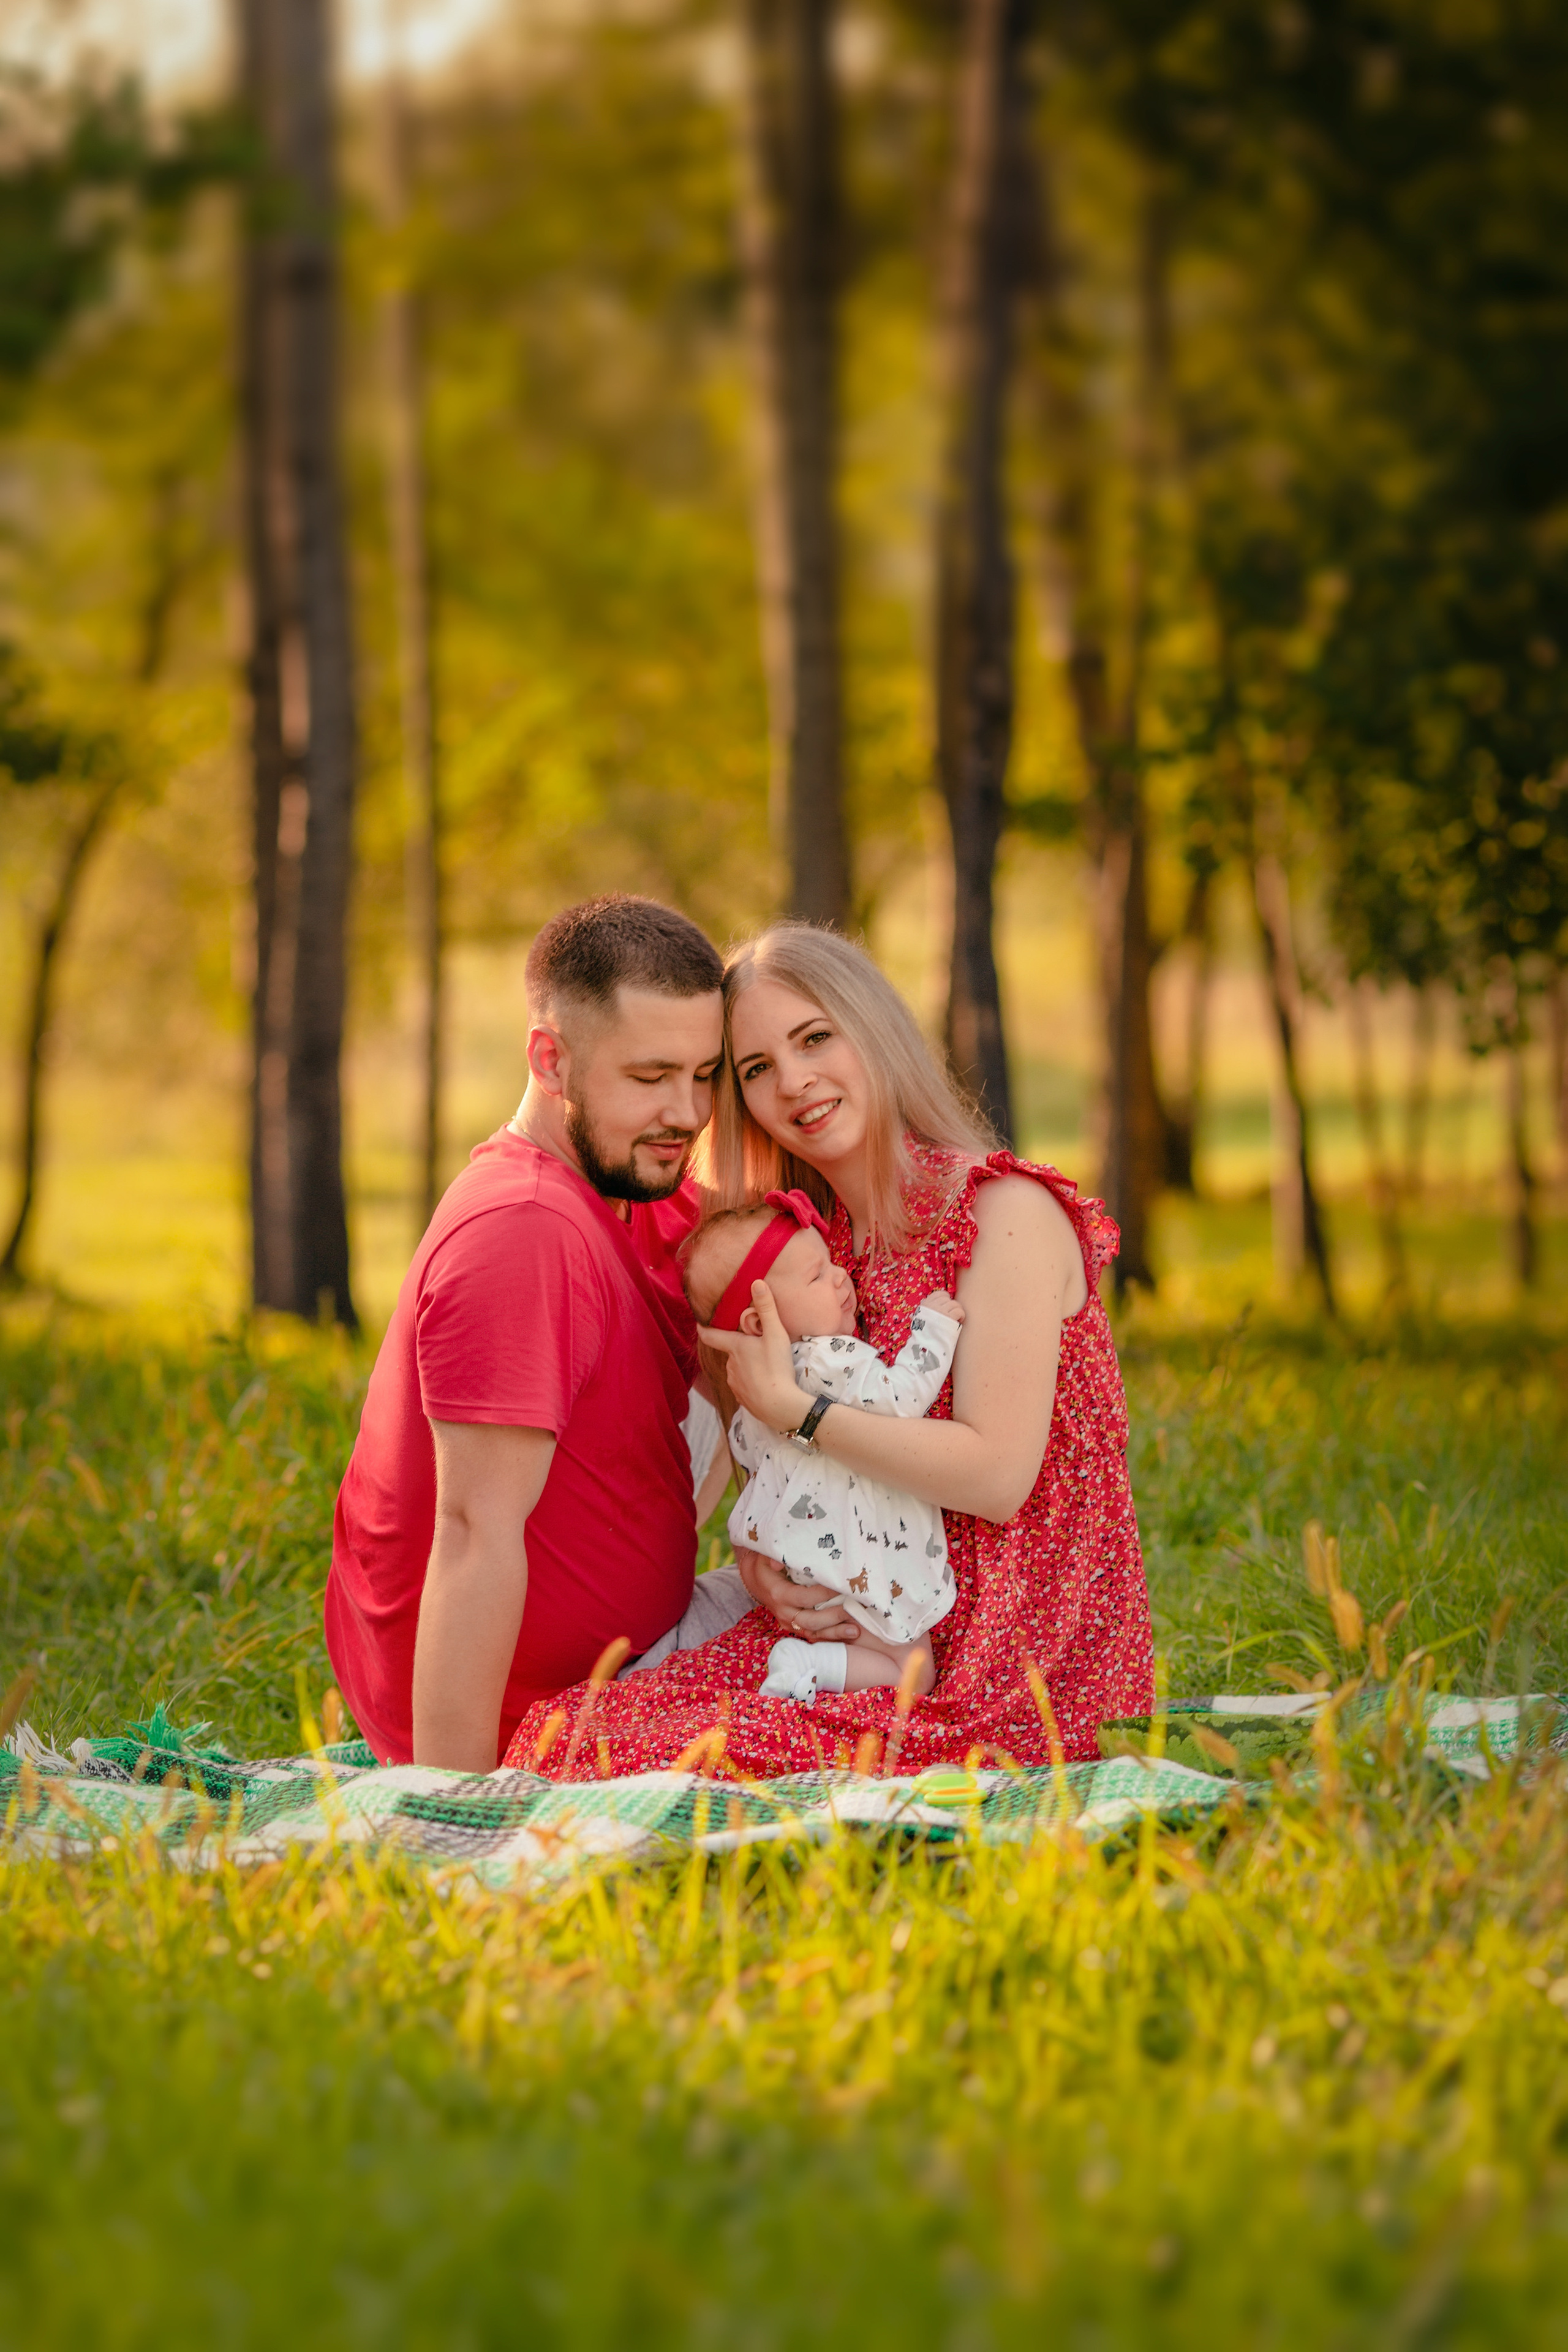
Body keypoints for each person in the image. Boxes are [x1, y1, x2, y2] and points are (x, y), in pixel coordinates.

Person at [502, 921, 1155, 1782]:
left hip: (1012, 1655)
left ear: (873, 1032)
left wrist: (802, 1413)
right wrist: (763, 1564)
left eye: (815, 1039)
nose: (795, 1083)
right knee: (569, 1731)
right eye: (757, 1069)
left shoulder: (1003, 1214)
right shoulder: (813, 1250)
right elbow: (775, 1461)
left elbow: (999, 1478)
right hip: (861, 1621)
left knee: (631, 1753)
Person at [325, 894, 752, 1771]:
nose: (688, 1112)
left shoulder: (628, 1182)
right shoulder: (524, 1230)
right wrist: (455, 1811)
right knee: (919, 1689)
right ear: (550, 1060)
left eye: (704, 1074)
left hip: (625, 1652)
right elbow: (474, 1532)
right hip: (527, 1721)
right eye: (650, 1076)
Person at [682, 1189, 964, 1704]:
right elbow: (900, 1400)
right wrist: (935, 1330)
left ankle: (811, 1666)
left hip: (810, 1561)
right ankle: (807, 1664)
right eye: (816, 1276)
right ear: (759, 1323)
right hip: (862, 1555)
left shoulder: (759, 1390)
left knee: (904, 1667)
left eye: (833, 1263)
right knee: (916, 1673)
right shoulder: (822, 1358)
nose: (840, 1277)